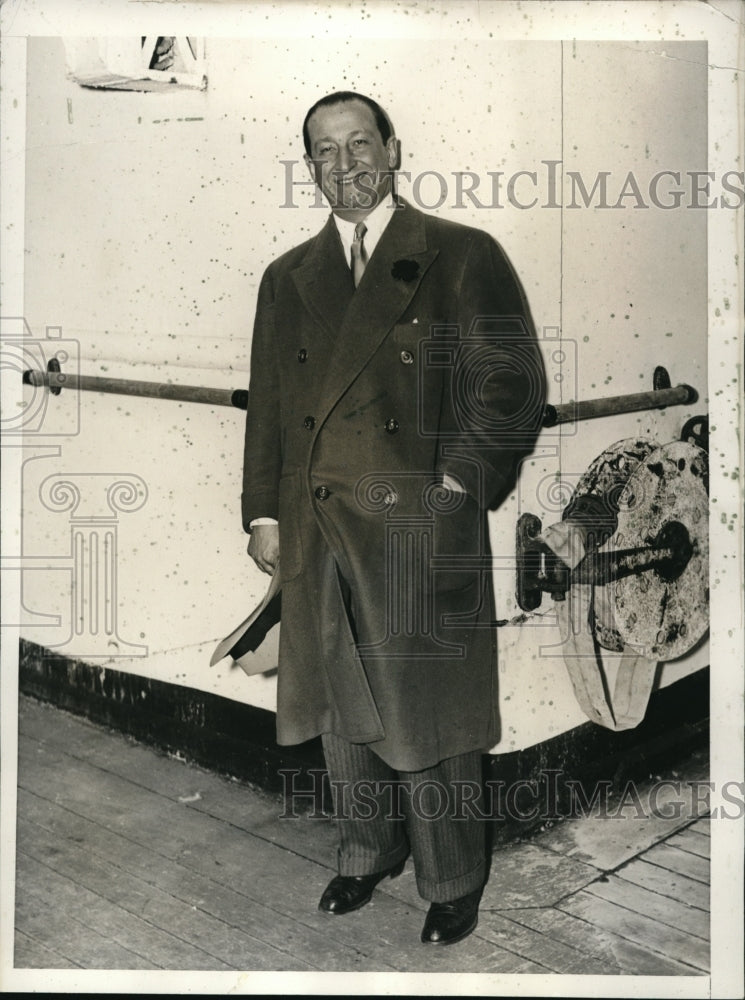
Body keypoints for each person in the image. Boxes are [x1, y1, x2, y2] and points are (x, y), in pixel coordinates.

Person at [242, 91, 545, 945]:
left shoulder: (459, 253)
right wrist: (262, 514)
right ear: (310, 166)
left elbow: (507, 386)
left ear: (392, 149)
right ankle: (365, 851)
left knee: (428, 711)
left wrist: (457, 486)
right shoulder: (286, 277)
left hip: (416, 525)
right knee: (339, 704)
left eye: (358, 143)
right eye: (324, 150)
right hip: (317, 523)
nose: (344, 163)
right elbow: (270, 406)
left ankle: (451, 877)